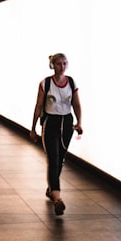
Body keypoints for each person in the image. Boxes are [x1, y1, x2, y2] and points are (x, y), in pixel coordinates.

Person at [30, 52, 82, 216]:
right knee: (53, 158)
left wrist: (79, 122)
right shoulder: (46, 83)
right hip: (50, 123)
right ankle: (57, 198)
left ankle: (52, 189)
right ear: (53, 65)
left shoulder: (71, 82)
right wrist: (33, 128)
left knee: (60, 158)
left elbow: (76, 104)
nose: (62, 67)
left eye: (65, 63)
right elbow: (38, 106)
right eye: (59, 63)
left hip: (66, 123)